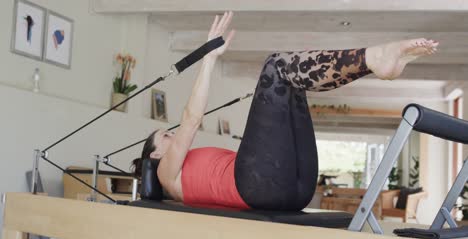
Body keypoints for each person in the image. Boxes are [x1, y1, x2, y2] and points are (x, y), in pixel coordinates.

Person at [132, 11, 438, 211]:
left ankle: (375, 63)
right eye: (166, 136)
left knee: (292, 83)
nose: (174, 136)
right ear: (155, 156)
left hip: (295, 188)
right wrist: (209, 59)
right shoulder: (165, 171)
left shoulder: (184, 172)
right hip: (261, 186)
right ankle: (375, 58)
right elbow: (192, 119)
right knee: (276, 65)